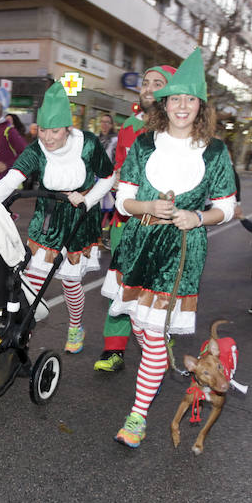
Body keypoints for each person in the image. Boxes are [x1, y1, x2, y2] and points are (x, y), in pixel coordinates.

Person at [99, 48, 237, 448]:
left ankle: (137, 417)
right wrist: (147, 207)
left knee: (154, 337)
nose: (182, 106)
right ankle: (155, 364)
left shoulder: (215, 151)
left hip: (180, 252)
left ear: (201, 106)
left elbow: (227, 207)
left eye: (190, 99)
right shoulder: (144, 144)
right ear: (165, 103)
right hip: (138, 243)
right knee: (140, 327)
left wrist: (198, 217)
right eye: (175, 98)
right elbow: (123, 200)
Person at [0, 81, 114, 353]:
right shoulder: (36, 150)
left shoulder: (88, 145)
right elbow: (10, 181)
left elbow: (108, 177)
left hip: (79, 217)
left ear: (68, 128)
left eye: (54, 131)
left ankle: (75, 326)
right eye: (43, 130)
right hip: (47, 217)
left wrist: (87, 200)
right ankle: (22, 332)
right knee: (32, 278)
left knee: (70, 282)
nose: (47, 137)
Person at [93, 64, 176, 373]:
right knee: (119, 286)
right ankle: (114, 349)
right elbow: (119, 164)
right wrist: (114, 179)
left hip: (160, 225)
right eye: (146, 82)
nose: (149, 88)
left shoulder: (177, 130)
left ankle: (160, 339)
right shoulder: (129, 125)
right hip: (124, 221)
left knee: (156, 287)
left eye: (158, 83)